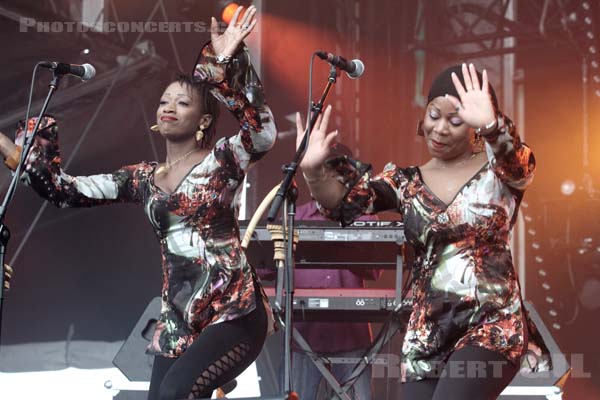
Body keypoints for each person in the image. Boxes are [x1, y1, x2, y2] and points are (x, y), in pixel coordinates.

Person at [0, 6, 275, 400]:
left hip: (232, 308)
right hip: (179, 320)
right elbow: (64, 190)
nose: (168, 107)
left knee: (175, 393)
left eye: (182, 103)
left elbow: (262, 134)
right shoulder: (142, 178)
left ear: (202, 120)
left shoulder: (222, 159)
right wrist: (10, 150)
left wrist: (225, 61)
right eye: (165, 101)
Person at [297, 63, 540, 399]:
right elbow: (342, 203)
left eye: (456, 120)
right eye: (434, 115)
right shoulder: (405, 182)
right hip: (428, 335)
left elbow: (519, 165)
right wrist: (313, 173)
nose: (440, 128)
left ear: (474, 128)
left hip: (490, 325)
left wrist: (493, 126)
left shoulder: (497, 173)